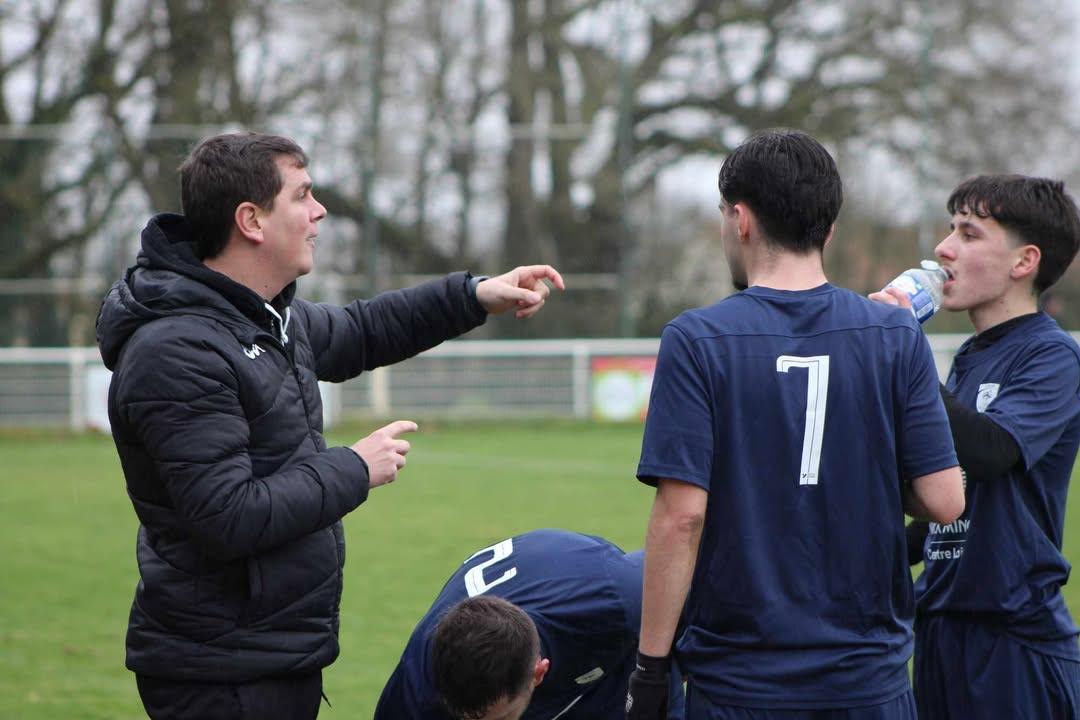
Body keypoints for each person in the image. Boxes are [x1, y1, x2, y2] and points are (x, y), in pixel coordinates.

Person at [95, 132, 564, 720]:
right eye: (302, 195)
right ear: (251, 220)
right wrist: (353, 468)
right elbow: (227, 515)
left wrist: (473, 296)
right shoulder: (178, 349)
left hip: (270, 654)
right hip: (221, 673)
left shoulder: (262, 317)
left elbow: (363, 329)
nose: (319, 212)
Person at [624, 129, 965, 720]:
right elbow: (944, 501)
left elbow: (682, 517)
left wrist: (650, 669)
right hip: (868, 680)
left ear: (741, 219)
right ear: (827, 230)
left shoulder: (697, 339)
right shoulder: (894, 334)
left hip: (740, 682)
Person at [871, 174, 1080, 719]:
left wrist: (905, 354)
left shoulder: (1052, 357)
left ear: (1023, 262)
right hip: (938, 630)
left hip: (1012, 641)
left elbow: (991, 453)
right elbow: (950, 502)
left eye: (968, 233)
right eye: (949, 229)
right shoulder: (966, 361)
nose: (943, 249)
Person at [374, 529, 685, 719]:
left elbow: (694, 567)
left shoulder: (616, 600)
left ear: (539, 673)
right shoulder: (414, 694)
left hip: (610, 668)